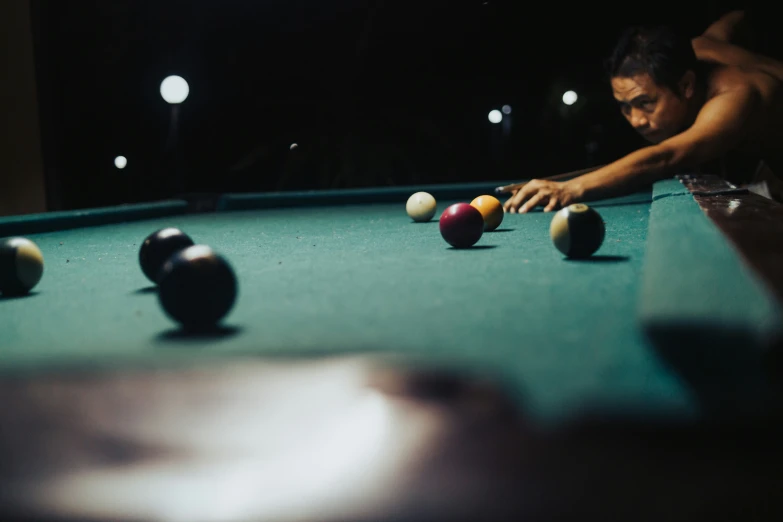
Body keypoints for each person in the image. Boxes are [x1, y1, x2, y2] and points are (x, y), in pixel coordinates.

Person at [501, 10, 783, 213]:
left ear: (686, 85)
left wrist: (570, 188)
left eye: (646, 102)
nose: (636, 120)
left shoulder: (737, 96)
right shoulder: (699, 48)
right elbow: (735, 19)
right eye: (625, 106)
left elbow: (667, 156)